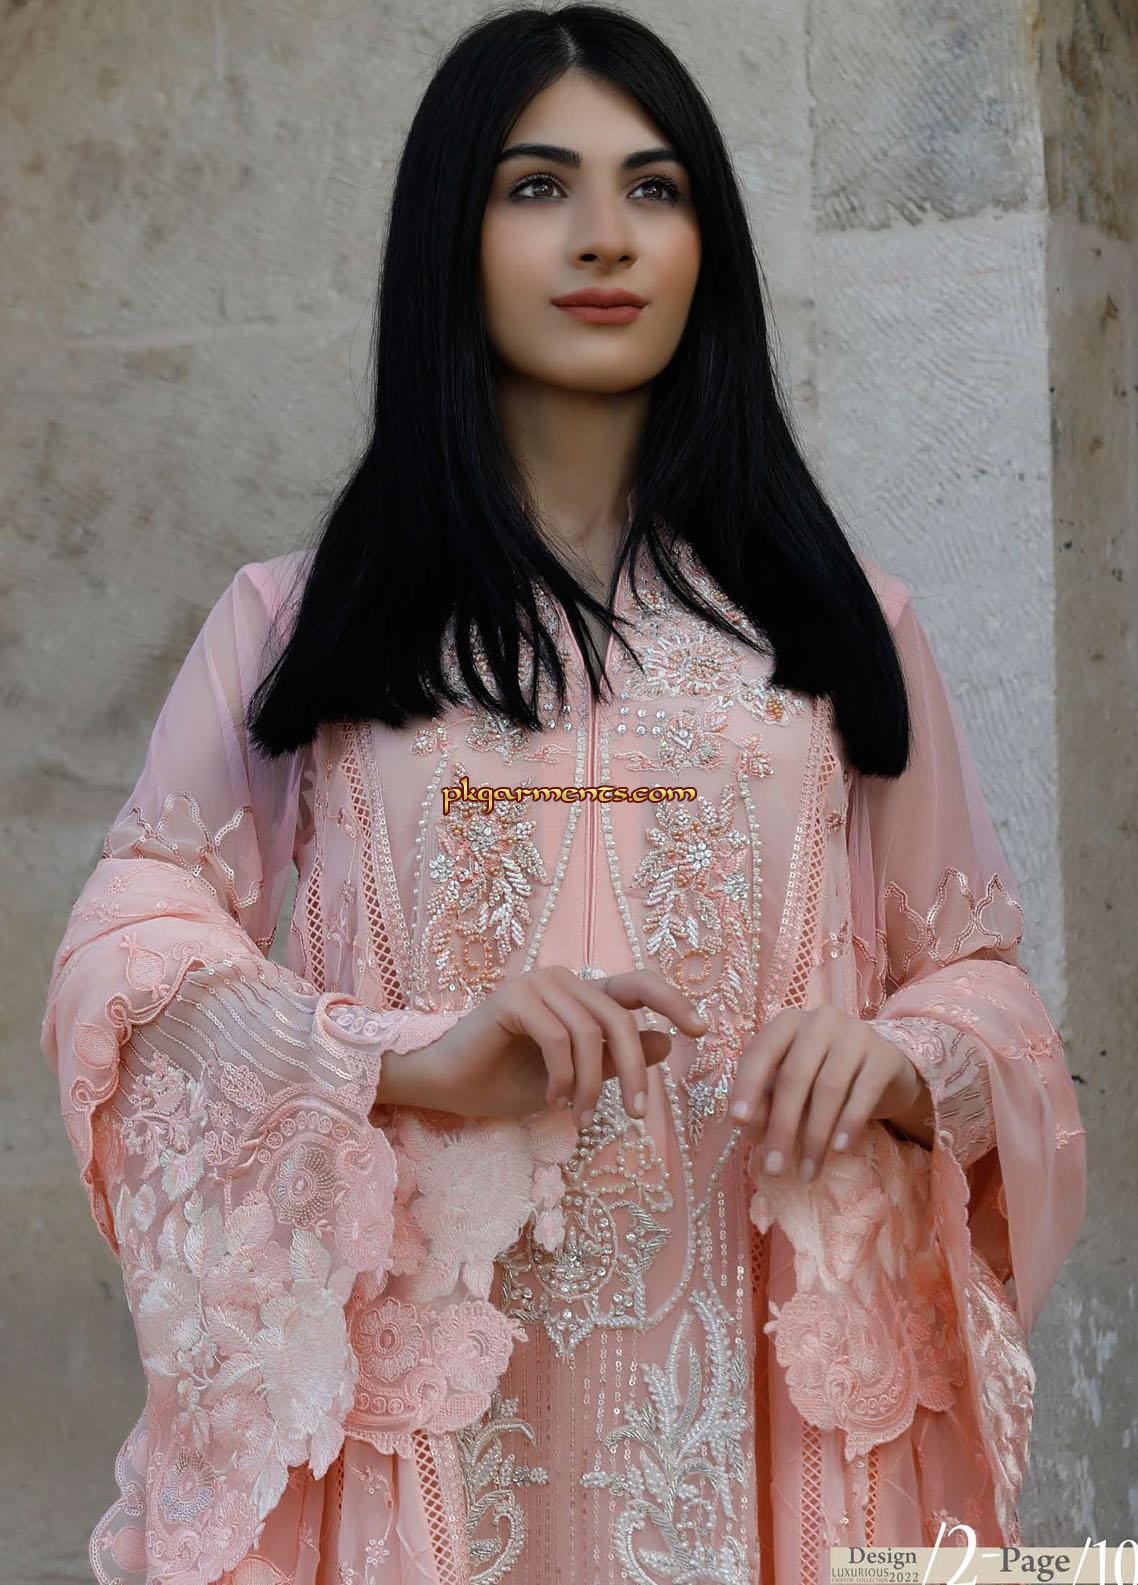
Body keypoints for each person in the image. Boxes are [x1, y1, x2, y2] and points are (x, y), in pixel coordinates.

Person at [41, 6, 1086, 1583]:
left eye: (654, 188)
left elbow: (983, 988)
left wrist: (896, 1057)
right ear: (448, 239)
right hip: (426, 1428)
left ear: (706, 245)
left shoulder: (839, 629)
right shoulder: (298, 624)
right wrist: (400, 1057)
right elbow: (128, 962)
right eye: (538, 187)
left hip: (772, 1428)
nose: (606, 235)